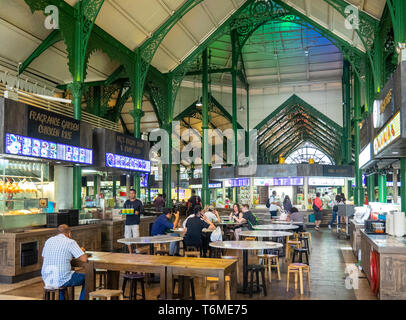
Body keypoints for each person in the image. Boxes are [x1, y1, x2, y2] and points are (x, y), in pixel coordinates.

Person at [41, 224, 88, 300]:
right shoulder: (70, 242)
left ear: (58, 233)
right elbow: (84, 259)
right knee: (87, 278)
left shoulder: (48, 241)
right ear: (69, 233)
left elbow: (43, 257)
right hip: (62, 278)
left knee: (61, 278)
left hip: (46, 278)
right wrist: (80, 251)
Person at [123, 189, 144, 253]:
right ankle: (130, 252)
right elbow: (123, 210)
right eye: (130, 193)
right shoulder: (126, 202)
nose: (131, 194)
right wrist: (122, 212)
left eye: (133, 193)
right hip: (128, 222)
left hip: (135, 222)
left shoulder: (138, 202)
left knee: (136, 237)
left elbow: (142, 210)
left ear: (135, 194)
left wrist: (139, 212)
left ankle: (137, 249)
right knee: (127, 237)